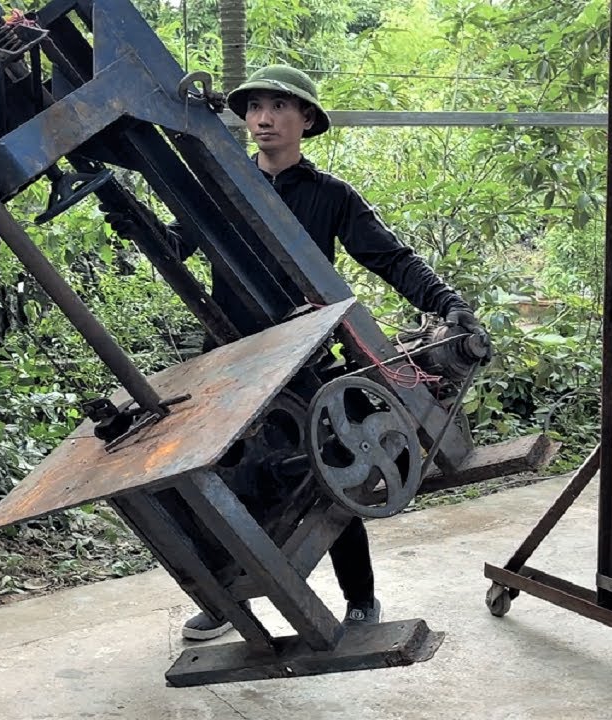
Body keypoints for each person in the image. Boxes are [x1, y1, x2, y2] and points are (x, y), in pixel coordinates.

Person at [105, 64, 486, 641]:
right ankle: (225, 603)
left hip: (304, 360)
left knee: (329, 472)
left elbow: (390, 257)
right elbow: (179, 245)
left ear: (306, 119)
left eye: (279, 107)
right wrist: (138, 225)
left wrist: (448, 303)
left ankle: (360, 598)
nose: (263, 119)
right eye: (254, 107)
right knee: (226, 482)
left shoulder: (329, 196)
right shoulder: (222, 187)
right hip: (229, 360)